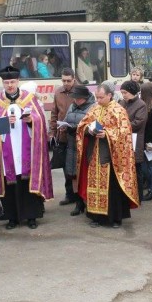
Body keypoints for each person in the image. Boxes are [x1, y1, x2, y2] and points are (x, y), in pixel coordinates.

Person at [0, 66, 53, 229]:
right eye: (7, 82)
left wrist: (31, 121)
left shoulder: (30, 98)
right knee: (10, 184)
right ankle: (12, 218)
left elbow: (40, 121)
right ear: (3, 83)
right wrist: (3, 122)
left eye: (13, 82)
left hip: (27, 150)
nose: (10, 85)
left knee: (27, 182)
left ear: (18, 82)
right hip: (6, 152)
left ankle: (32, 216)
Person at [76, 81, 139, 227]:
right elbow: (82, 126)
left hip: (111, 156)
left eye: (101, 97)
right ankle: (96, 216)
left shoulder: (119, 110)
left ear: (110, 95)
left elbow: (124, 133)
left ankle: (115, 218)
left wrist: (107, 134)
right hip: (94, 153)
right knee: (95, 185)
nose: (98, 100)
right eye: (96, 97)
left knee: (112, 188)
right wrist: (89, 130)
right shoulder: (94, 108)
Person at [63, 85, 96, 216]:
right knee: (73, 174)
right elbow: (66, 119)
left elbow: (92, 126)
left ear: (85, 98)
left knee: (84, 174)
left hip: (85, 146)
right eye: (75, 98)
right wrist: (64, 126)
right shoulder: (72, 106)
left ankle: (86, 201)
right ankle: (78, 202)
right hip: (72, 145)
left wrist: (76, 128)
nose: (76, 101)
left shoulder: (92, 108)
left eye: (79, 99)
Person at [51, 68, 78, 206]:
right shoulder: (58, 92)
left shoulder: (80, 91)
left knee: (77, 167)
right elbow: (54, 114)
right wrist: (52, 132)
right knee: (66, 167)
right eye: (63, 81)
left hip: (77, 136)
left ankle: (79, 195)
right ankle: (69, 194)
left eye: (69, 80)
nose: (66, 83)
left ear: (74, 79)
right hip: (62, 136)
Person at [119, 80, 147, 201]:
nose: (123, 95)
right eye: (122, 93)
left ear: (132, 92)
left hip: (135, 140)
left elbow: (138, 123)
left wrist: (121, 125)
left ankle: (138, 196)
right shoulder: (122, 102)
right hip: (122, 139)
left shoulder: (141, 105)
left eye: (125, 92)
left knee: (136, 169)